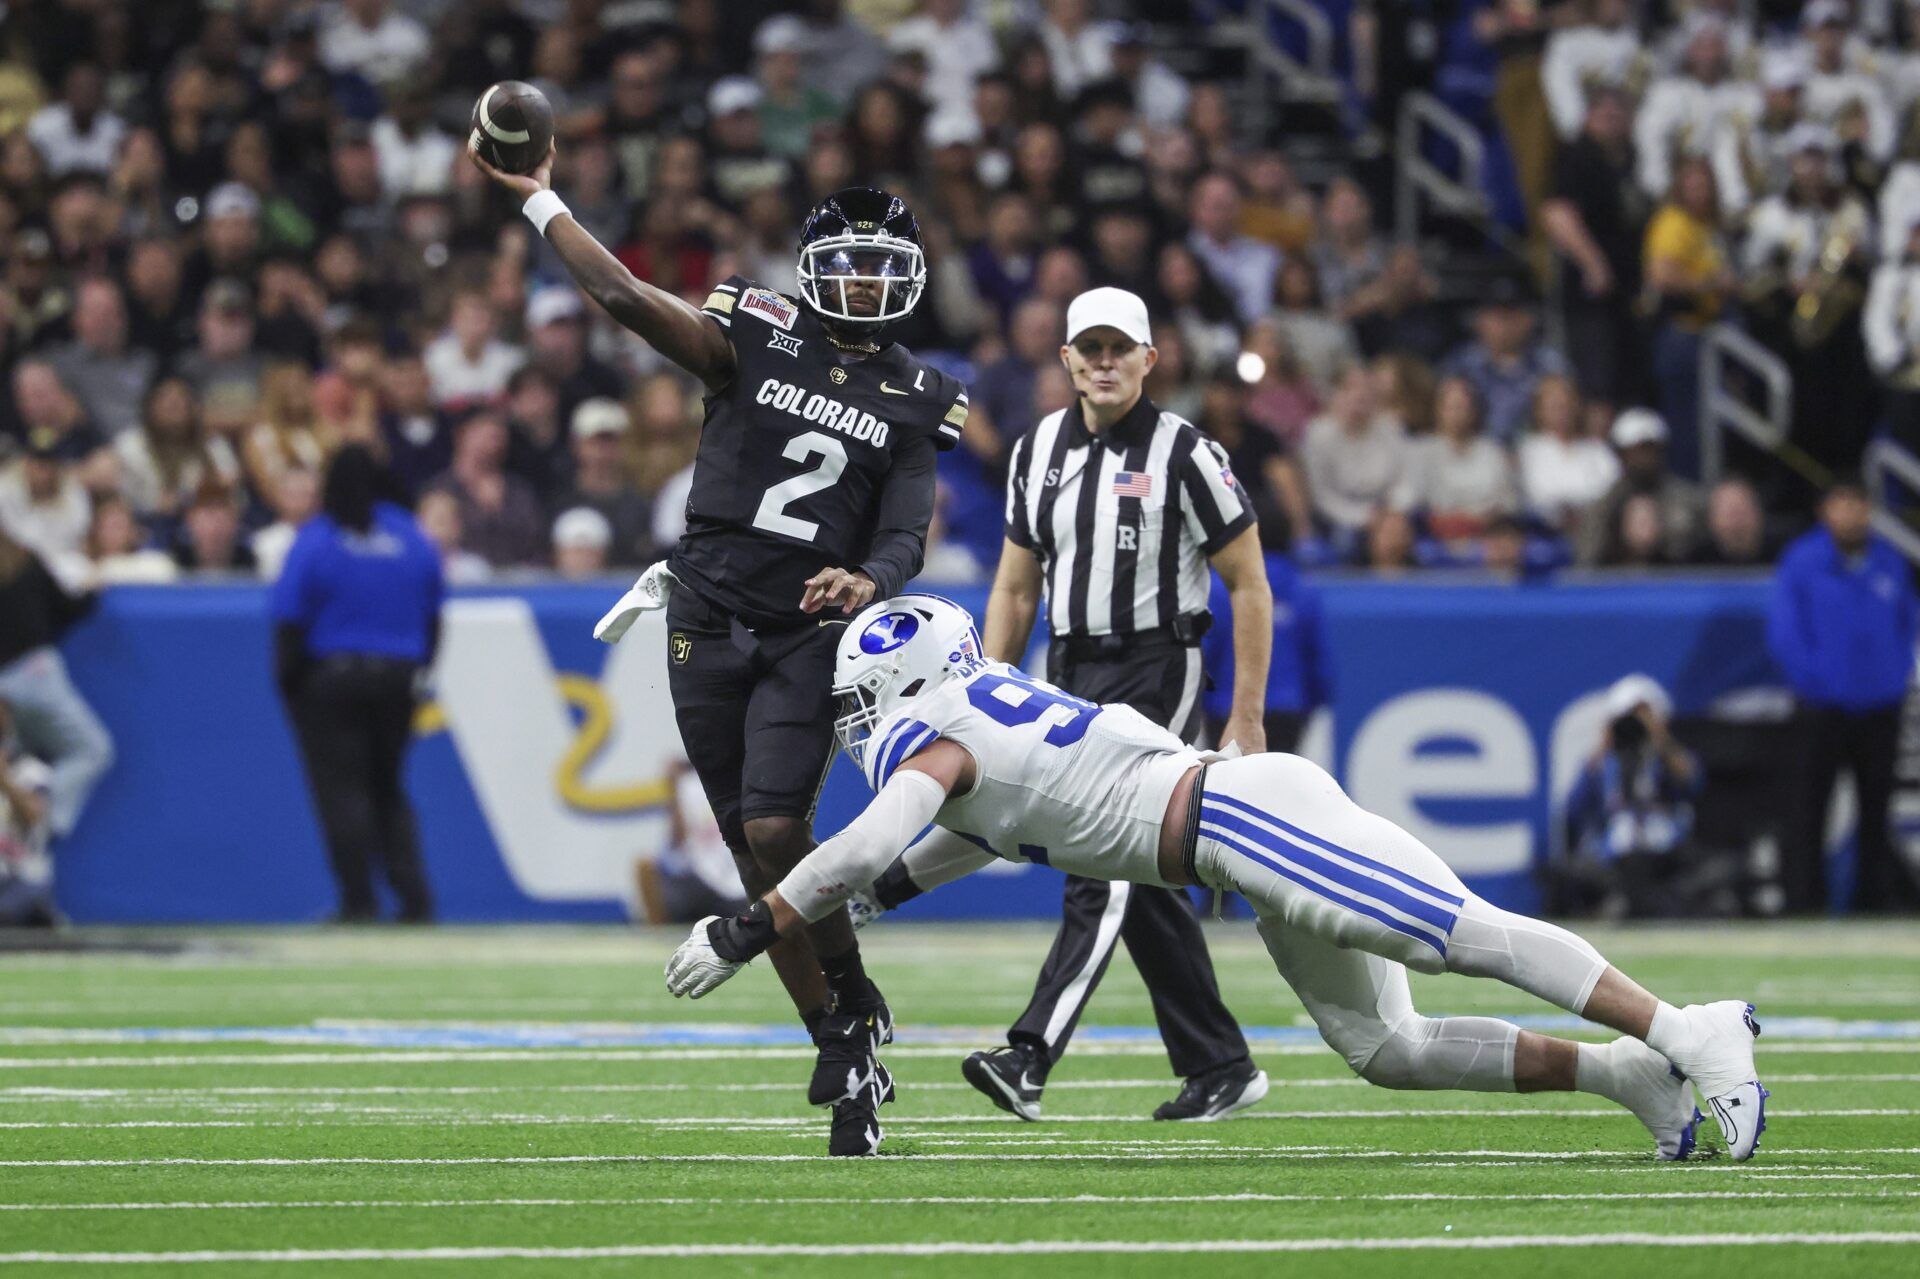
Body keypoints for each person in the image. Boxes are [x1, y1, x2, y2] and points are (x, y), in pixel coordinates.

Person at [667, 594, 1772, 1164]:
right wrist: (885, 894)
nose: (859, 727)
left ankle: (1689, 1026)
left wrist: (750, 926)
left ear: (904, 684)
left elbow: (867, 838)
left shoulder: (942, 739)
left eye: (863, 705)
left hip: (1239, 816)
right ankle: (1631, 1077)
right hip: (1228, 834)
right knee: (1388, 1048)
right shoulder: (971, 740)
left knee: (1455, 931)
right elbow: (974, 831)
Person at [475, 135, 966, 1155]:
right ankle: (843, 1038)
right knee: (750, 851)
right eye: (852, 264)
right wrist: (541, 202)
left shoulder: (918, 395)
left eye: (886, 267)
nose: (868, 285)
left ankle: (853, 1006)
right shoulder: (755, 327)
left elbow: (906, 527)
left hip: (805, 624)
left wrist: (871, 579)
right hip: (703, 611)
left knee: (782, 831)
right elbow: (621, 295)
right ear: (813, 270)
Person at [938, 286, 1272, 1124]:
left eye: (1120, 347)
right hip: (1069, 666)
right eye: (1089, 346)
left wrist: (1248, 714)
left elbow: (1251, 585)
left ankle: (1031, 1052)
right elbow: (1015, 585)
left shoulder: (1188, 452)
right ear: (1065, 360)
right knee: (1142, 869)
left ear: (1151, 359)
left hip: (1160, 665)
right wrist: (987, 684)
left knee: (1103, 854)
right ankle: (1220, 1062)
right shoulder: (1035, 449)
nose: (1104, 360)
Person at [272, 445, 444, 925]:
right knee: (389, 788)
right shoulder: (410, 536)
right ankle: (415, 899)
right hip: (398, 680)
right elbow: (434, 615)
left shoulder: (318, 538)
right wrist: (420, 672)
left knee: (342, 792)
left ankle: (359, 901)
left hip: (332, 681)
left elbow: (288, 619)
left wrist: (290, 685)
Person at [1768, 479, 1920, 914]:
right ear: (1825, 510)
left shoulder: (1889, 562)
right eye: (1842, 503)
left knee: (1876, 811)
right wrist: (1818, 683)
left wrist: (1894, 678)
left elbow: (1907, 624)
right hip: (1821, 708)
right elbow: (1785, 634)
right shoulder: (1803, 561)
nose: (1851, 513)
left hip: (1880, 707)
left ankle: (1871, 902)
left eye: (1858, 503)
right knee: (1808, 808)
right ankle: (1804, 904)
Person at [0, 528, 113, 869]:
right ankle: (39, 826)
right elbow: (68, 608)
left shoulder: (26, 561)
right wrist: (95, 585)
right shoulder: (26, 560)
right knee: (93, 749)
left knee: (19, 766)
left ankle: (21, 838)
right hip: (36, 675)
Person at [1557, 674, 1708, 919]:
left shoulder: (1666, 757)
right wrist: (1604, 747)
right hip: (1617, 852)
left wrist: (1660, 741)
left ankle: (1633, 903)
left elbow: (1692, 784)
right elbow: (1574, 810)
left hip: (1665, 850)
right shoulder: (1605, 765)